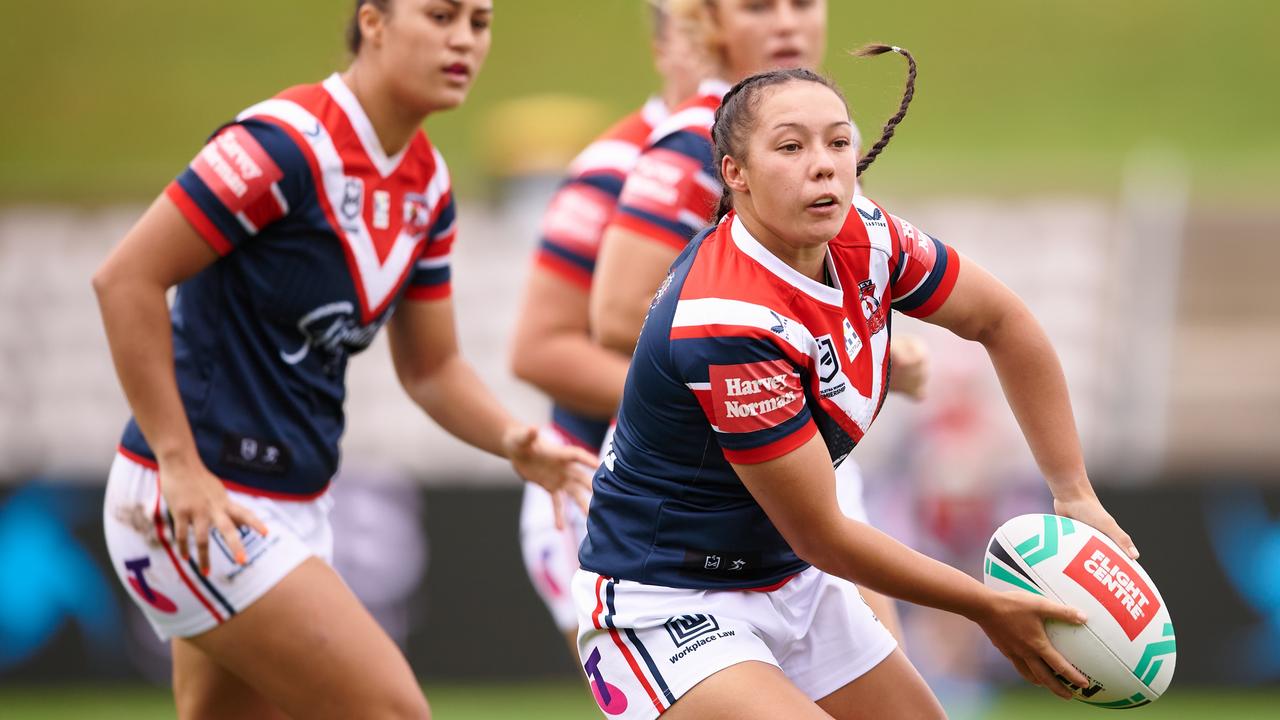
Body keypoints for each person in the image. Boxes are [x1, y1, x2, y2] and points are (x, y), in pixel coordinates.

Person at [573, 61, 1140, 719]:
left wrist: (1075, 494)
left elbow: (1002, 321)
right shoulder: (727, 321)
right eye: (791, 146)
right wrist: (987, 606)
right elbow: (825, 536)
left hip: (790, 580)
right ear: (736, 174)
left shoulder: (865, 234)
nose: (824, 165)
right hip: (667, 599)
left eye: (838, 142)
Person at [92, 2, 593, 718]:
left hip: (294, 505)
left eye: (479, 23)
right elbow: (125, 279)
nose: (463, 40)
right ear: (374, 21)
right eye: (442, 15)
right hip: (201, 503)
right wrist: (180, 465)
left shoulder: (428, 184)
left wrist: (515, 441)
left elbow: (432, 369)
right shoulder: (283, 143)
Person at [588, 0, 923, 644]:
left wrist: (864, 347)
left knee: (886, 671)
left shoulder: (816, 137)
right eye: (758, 7)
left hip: (799, 443)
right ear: (708, 22)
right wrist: (769, 375)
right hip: (703, 485)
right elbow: (615, 316)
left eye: (802, 4)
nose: (787, 25)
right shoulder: (695, 135)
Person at [509, 0, 704, 654]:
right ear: (663, 46)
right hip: (607, 488)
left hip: (732, 484)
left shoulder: (779, 150)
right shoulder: (616, 164)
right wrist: (721, 402)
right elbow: (539, 348)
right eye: (695, 25)